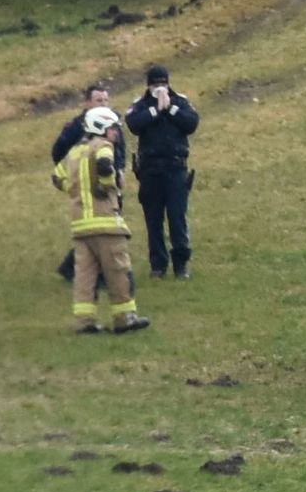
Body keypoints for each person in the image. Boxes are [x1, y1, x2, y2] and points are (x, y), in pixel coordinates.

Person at [53, 103, 149, 333]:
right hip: (105, 223)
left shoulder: (75, 152)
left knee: (85, 277)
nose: (116, 133)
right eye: (113, 128)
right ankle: (125, 318)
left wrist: (73, 189)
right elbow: (106, 166)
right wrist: (109, 186)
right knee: (118, 272)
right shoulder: (103, 145)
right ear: (102, 127)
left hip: (80, 226)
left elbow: (56, 177)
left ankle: (84, 323)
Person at [127, 65, 200, 279]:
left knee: (177, 217)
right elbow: (134, 124)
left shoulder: (180, 101)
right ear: (148, 85)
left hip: (176, 167)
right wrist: (155, 110)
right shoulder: (140, 105)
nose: (160, 87)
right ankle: (158, 265)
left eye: (163, 83)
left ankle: (181, 264)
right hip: (150, 170)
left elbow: (191, 122)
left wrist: (170, 108)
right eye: (155, 84)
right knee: (153, 219)